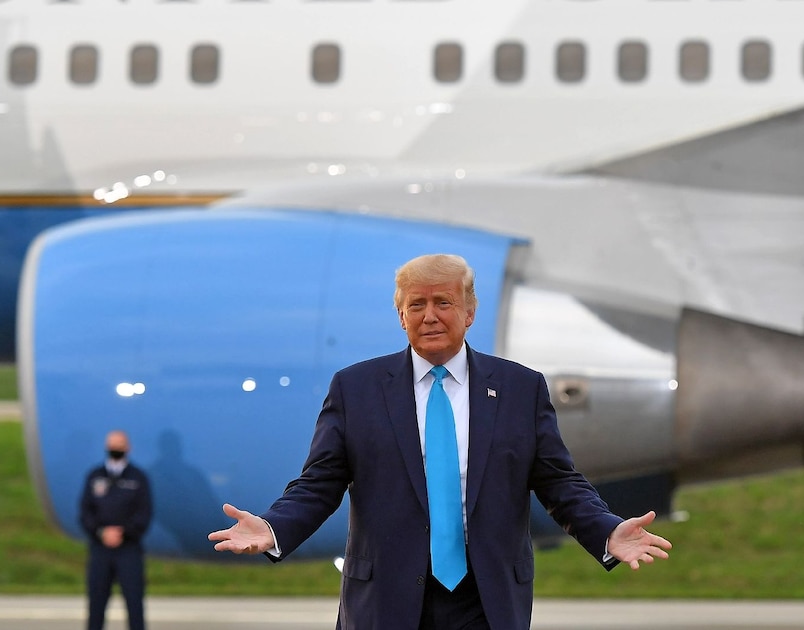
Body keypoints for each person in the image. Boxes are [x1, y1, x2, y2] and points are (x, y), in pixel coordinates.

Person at [209, 253, 672, 630]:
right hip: (386, 597)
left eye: (443, 303)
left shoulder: (519, 388)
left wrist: (606, 530)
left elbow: (558, 482)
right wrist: (272, 528)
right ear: (400, 314)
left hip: (486, 600)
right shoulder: (357, 388)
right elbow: (320, 483)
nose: (429, 316)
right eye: (416, 304)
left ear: (469, 312)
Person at [80, 429, 153, 630]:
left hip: (128, 548)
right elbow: (85, 511)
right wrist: (101, 532)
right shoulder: (95, 476)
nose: (116, 449)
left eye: (120, 445)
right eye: (112, 445)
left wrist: (124, 533)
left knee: (134, 601)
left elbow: (144, 512)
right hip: (100, 548)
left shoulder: (137, 478)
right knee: (96, 601)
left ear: (128, 447)